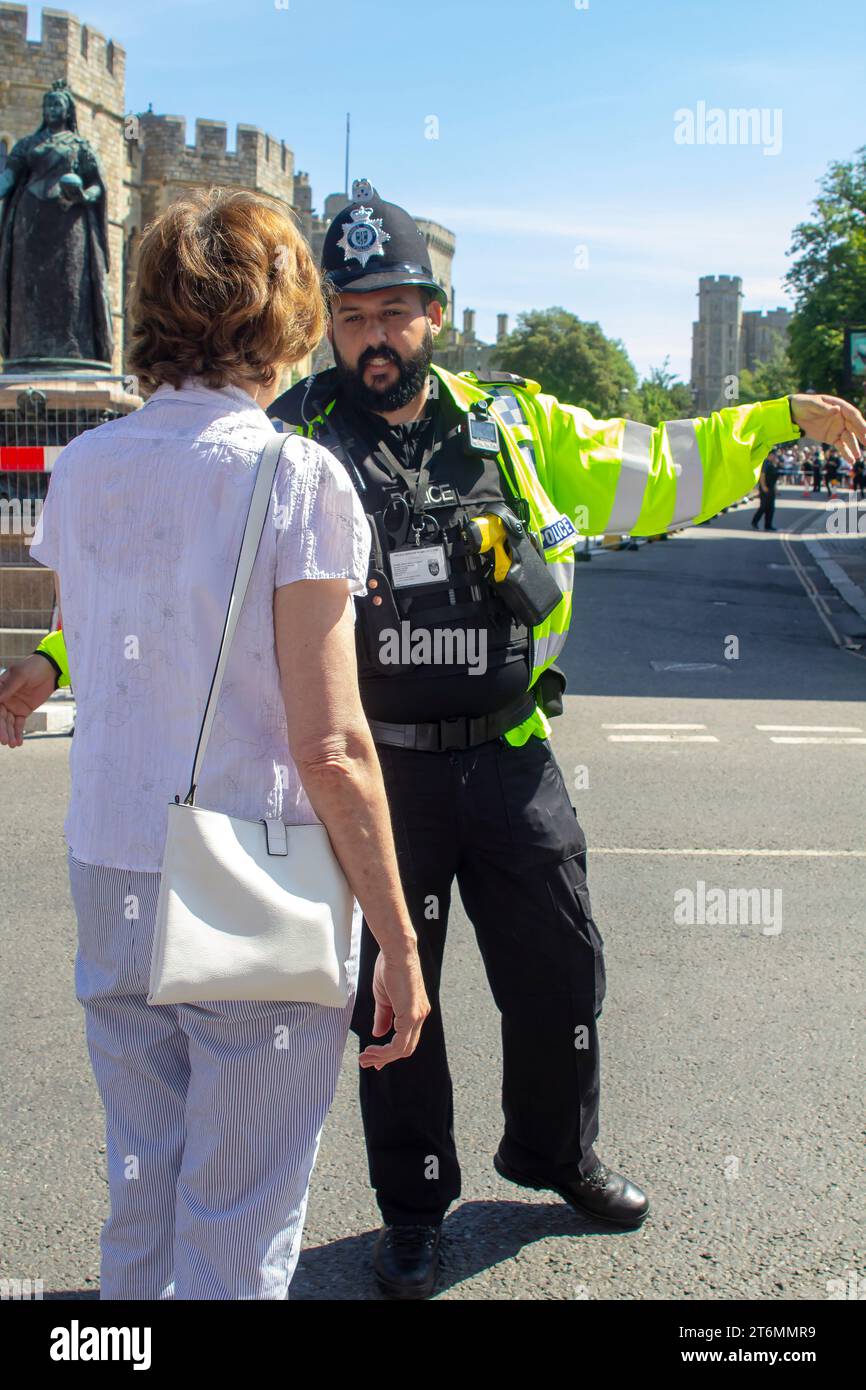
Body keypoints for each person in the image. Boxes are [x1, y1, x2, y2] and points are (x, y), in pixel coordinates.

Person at [6, 182, 866, 1303]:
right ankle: (413, 1210)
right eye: (352, 314)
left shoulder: (511, 425)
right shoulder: (290, 442)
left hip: (506, 753)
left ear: (433, 314)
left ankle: (554, 1154)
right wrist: (59, 663)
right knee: (388, 1011)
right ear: (326, 323)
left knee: (559, 972)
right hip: (373, 769)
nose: (373, 336)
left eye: (394, 312)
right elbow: (172, 588)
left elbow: (648, 466)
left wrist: (771, 420)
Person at [0, 187, 428, 1300]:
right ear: (282, 317)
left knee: (142, 1185)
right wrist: (398, 935)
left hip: (111, 857)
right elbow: (329, 741)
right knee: (237, 1216)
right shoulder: (296, 477)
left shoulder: (84, 469)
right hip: (249, 865)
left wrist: (45, 664)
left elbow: (124, 633)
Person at [751, 452, 779, 530]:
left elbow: (774, 478)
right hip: (765, 488)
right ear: (770, 455)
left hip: (771, 488)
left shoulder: (772, 464)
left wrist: (776, 488)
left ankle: (768, 525)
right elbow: (762, 475)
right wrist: (763, 486)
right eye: (774, 455)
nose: (775, 457)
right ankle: (754, 522)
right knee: (763, 507)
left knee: (771, 508)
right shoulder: (765, 463)